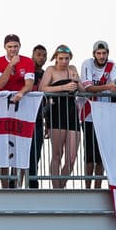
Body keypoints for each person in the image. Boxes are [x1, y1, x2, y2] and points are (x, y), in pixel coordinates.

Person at [0, 34, 35, 188]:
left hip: (22, 108)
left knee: (20, 145)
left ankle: (17, 185)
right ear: (5, 47)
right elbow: (1, 84)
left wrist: (21, 93)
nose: (13, 50)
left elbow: (29, 84)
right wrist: (10, 66)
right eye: (10, 47)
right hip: (2, 110)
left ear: (20, 46)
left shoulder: (28, 61)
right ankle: (4, 186)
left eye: (15, 46)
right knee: (2, 146)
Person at [39, 46, 81, 189]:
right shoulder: (51, 70)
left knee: (72, 156)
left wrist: (77, 81)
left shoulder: (73, 69)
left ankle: (61, 187)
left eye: (66, 58)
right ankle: (56, 188)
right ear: (56, 57)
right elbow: (42, 88)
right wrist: (63, 88)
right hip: (56, 112)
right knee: (57, 154)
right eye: (61, 58)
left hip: (72, 113)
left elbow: (82, 90)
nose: (64, 61)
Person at [78, 40, 115, 188]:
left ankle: (97, 186)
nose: (101, 56)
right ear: (94, 54)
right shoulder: (87, 63)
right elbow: (87, 87)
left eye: (104, 53)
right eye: (98, 53)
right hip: (88, 113)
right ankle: (87, 187)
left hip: (104, 114)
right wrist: (107, 87)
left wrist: (105, 87)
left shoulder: (112, 65)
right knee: (89, 154)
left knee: (100, 155)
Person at [27, 44, 49, 187]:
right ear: (32, 56)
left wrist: (48, 121)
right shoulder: (26, 72)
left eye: (44, 55)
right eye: (38, 55)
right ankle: (12, 184)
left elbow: (49, 99)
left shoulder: (46, 74)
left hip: (39, 118)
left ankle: (33, 184)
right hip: (24, 117)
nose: (41, 58)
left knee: (36, 153)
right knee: (20, 153)